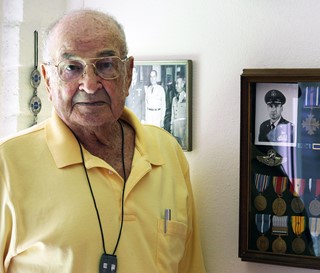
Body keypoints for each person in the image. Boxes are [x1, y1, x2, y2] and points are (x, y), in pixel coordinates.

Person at [0, 9, 207, 273]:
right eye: (71, 68)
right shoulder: (7, 164)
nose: (89, 83)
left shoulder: (167, 152)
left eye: (106, 65)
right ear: (48, 80)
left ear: (128, 74)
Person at [171, 77, 187, 149]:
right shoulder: (174, 99)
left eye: (178, 83)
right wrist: (172, 128)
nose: (176, 85)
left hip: (183, 131)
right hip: (175, 130)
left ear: (183, 84)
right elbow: (172, 115)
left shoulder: (186, 98)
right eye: (175, 84)